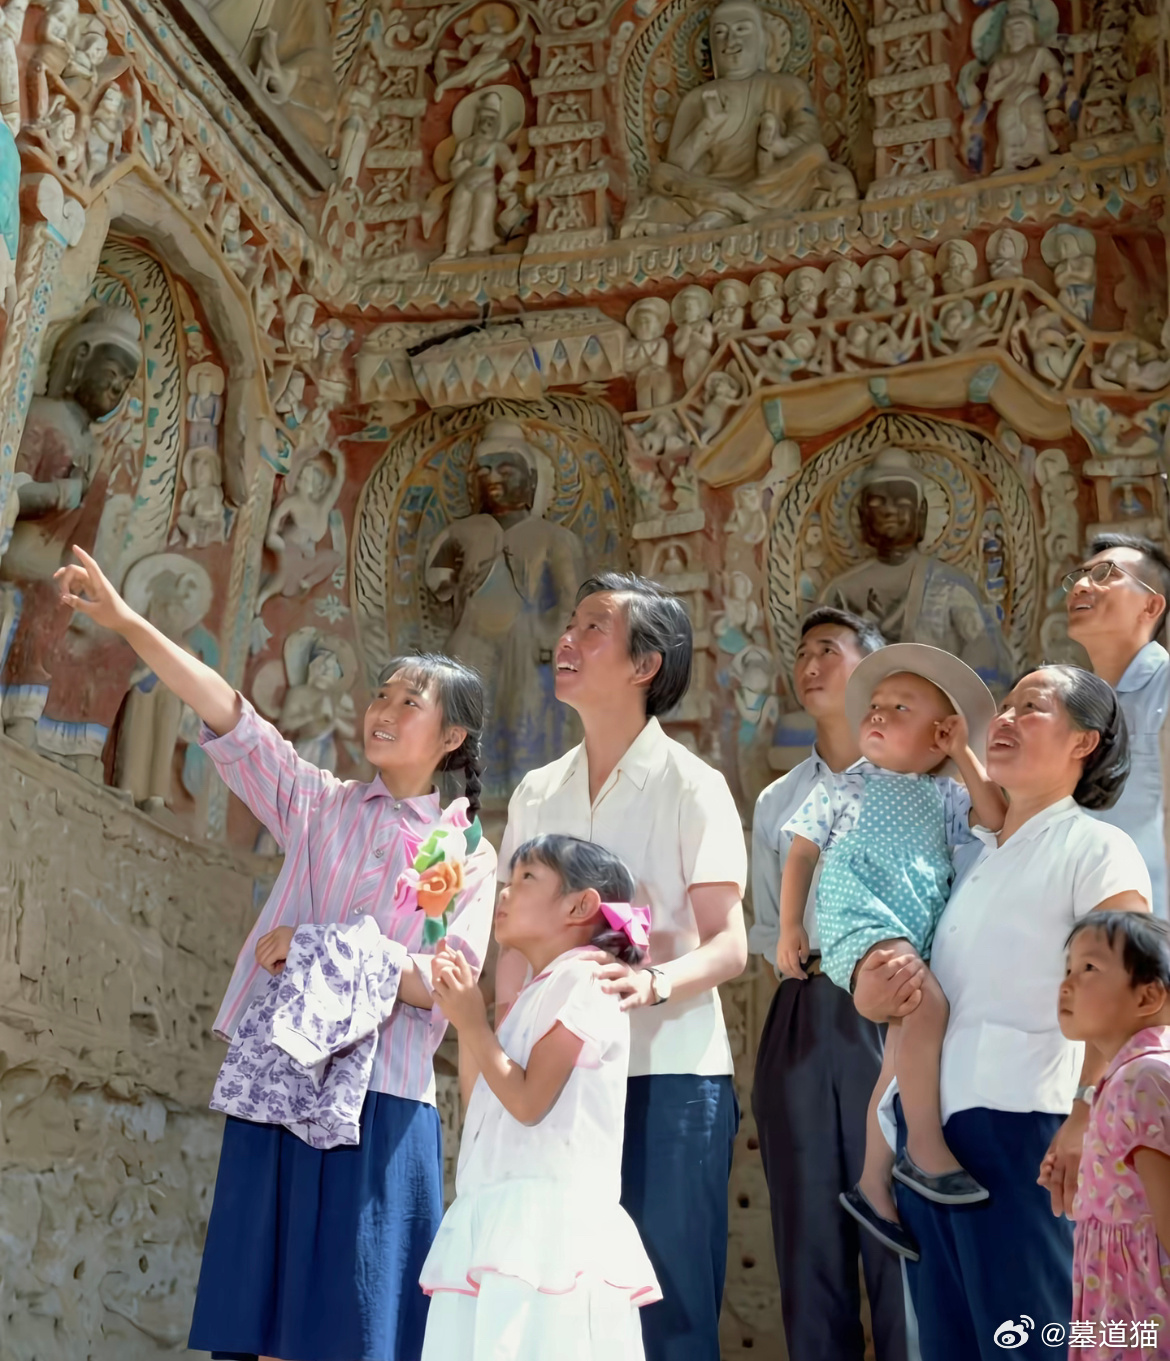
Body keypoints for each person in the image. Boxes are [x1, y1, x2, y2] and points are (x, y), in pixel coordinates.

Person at [53, 545, 498, 1361]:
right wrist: (126, 621)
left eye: (411, 701)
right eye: (381, 693)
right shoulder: (319, 804)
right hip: (279, 1084)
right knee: (263, 1333)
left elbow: (439, 984)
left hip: (381, 1105)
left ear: (452, 735)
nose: (383, 709)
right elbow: (228, 711)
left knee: (353, 1331)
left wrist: (314, 946)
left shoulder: (456, 847)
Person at [855, 665, 1152, 1360]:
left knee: (1030, 1338)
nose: (1007, 718)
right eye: (1007, 705)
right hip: (933, 1137)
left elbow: (1128, 996)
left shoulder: (1098, 848)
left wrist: (1086, 1113)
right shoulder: (973, 856)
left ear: (1084, 741)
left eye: (1032, 706)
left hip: (1028, 1128)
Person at [496, 572, 748, 1361]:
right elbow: (510, 950)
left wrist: (654, 981)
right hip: (554, 1083)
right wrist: (505, 1054)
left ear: (646, 664)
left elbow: (730, 944)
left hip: (668, 1076)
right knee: (559, 1304)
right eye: (569, 624)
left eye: (593, 627)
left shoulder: (693, 786)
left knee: (667, 1307)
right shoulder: (537, 791)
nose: (566, 640)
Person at [781, 645, 1006, 1256]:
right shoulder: (843, 785)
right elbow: (801, 851)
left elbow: (995, 819)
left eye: (901, 708)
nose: (878, 713)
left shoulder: (947, 795)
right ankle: (925, 1150)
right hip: (864, 922)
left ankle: (872, 1180)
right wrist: (790, 926)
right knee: (928, 1008)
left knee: (901, 1051)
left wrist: (964, 753)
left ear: (939, 736)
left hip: (911, 935)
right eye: (875, 705)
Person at [420, 834, 661, 1361]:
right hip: (501, 1218)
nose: (506, 892)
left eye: (527, 877)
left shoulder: (587, 979)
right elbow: (486, 1103)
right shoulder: (538, 989)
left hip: (549, 1231)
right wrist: (467, 1014)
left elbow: (529, 1103)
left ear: (580, 905)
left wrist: (473, 1023)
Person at [751, 606, 911, 1361]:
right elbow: (765, 922)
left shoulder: (916, 785)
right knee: (807, 1229)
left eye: (829, 649)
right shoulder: (777, 801)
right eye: (802, 652)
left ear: (872, 669)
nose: (810, 664)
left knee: (900, 1226)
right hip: (804, 1007)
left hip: (896, 1011)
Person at [1058, 911, 1170, 1349]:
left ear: (1148, 996)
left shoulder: (1141, 1080)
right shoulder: (1128, 1077)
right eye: (1067, 968)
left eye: (1089, 968)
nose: (1066, 984)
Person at [1065, 533, 1170, 918]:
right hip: (1084, 929)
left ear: (1151, 604)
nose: (1080, 585)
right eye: (1079, 576)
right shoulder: (1070, 706)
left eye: (1106, 574)